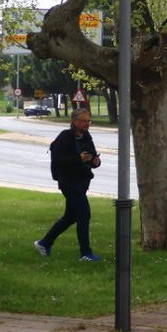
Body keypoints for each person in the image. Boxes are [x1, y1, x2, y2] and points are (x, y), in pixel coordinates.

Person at [37, 109, 103, 261]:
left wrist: (95, 162)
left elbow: (92, 157)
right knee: (84, 214)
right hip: (69, 182)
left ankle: (44, 243)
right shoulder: (65, 137)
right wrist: (78, 158)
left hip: (82, 181)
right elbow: (58, 160)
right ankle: (85, 253)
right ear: (74, 121)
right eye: (84, 121)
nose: (87, 124)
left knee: (71, 216)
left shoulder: (87, 137)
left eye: (89, 121)